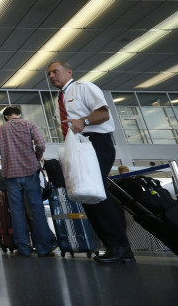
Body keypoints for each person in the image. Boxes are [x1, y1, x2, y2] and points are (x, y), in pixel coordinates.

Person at [48, 60, 134, 264]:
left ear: (69, 71)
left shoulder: (83, 88)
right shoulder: (59, 98)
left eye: (55, 71)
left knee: (98, 193)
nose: (52, 76)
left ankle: (122, 247)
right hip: (79, 147)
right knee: (86, 197)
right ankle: (112, 246)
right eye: (49, 74)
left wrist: (84, 121)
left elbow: (104, 113)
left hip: (96, 143)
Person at [0, 106, 56, 257]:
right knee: (37, 210)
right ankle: (43, 248)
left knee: (17, 212)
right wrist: (36, 156)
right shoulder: (29, 124)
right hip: (30, 172)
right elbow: (41, 144)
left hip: (11, 175)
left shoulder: (1, 129)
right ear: (19, 114)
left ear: (5, 117)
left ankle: (23, 248)